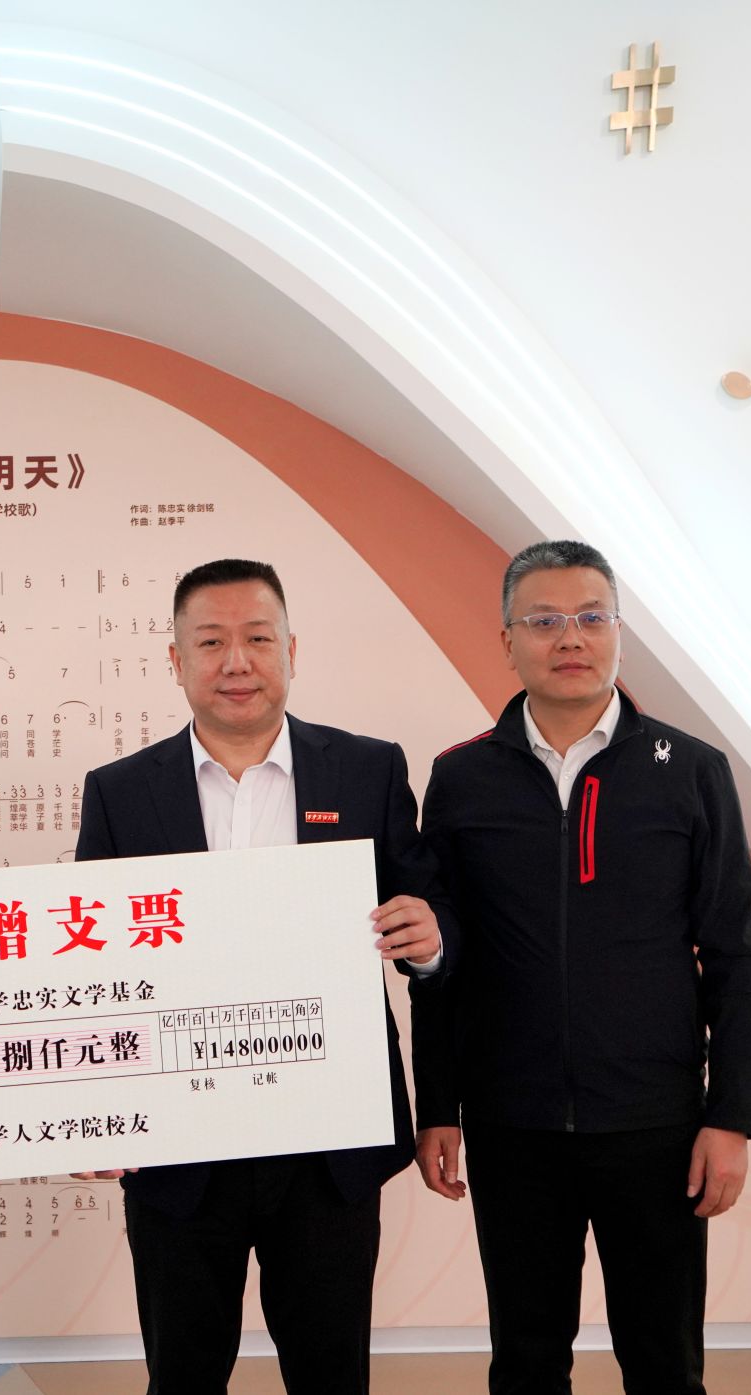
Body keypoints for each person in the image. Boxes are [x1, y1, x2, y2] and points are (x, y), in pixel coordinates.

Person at [73, 557, 451, 1395]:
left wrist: (429, 939)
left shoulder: (367, 770)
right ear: (175, 659)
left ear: (292, 650)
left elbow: (431, 917)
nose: (236, 661)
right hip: (178, 1150)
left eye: (257, 638)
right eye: (211, 642)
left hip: (327, 1147)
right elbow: (94, 969)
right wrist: (91, 1110)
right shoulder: (120, 793)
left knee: (331, 1377)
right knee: (182, 1376)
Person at [413, 539, 751, 1395]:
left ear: (618, 633)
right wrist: (438, 1106)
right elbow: (437, 959)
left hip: (658, 1124)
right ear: (507, 640)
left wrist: (730, 1117)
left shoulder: (691, 772)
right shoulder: (461, 778)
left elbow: (735, 956)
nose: (569, 638)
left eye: (590, 617)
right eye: (543, 621)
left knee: (665, 1363)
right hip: (512, 1123)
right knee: (526, 1361)